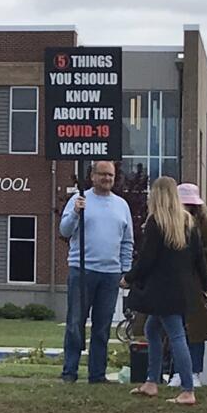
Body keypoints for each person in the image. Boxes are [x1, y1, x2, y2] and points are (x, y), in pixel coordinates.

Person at [125, 177, 207, 406]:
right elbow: (199, 259)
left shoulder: (156, 222)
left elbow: (147, 259)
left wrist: (129, 278)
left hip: (162, 290)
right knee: (152, 329)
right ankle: (152, 381)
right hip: (182, 289)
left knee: (176, 335)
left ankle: (187, 389)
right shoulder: (188, 222)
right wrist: (205, 287)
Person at [59, 161, 134, 384]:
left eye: (110, 175)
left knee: (102, 326)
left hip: (110, 274)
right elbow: (64, 230)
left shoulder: (122, 205)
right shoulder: (79, 199)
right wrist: (74, 213)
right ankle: (69, 372)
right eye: (102, 174)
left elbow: (127, 240)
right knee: (75, 323)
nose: (107, 179)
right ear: (92, 176)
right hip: (81, 270)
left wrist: (125, 270)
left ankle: (97, 374)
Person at [169, 183, 207, 388]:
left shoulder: (206, 225)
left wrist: (192, 253)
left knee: (196, 330)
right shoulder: (170, 222)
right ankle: (177, 371)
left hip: (199, 280)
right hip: (175, 281)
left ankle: (194, 371)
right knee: (175, 328)